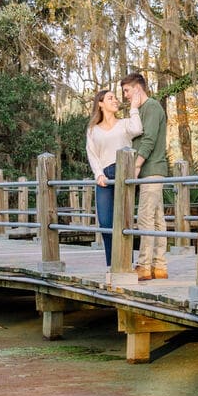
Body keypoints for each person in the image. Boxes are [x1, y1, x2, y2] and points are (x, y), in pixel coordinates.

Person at [85, 88, 143, 265]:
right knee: (105, 222)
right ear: (100, 104)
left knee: (124, 220)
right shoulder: (93, 130)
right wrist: (98, 174)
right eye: (110, 98)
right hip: (104, 176)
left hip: (123, 173)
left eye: (116, 98)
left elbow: (138, 129)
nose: (116, 100)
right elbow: (92, 154)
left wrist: (133, 107)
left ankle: (126, 264)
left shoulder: (125, 124)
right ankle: (111, 264)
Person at [120, 72, 168, 280]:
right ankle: (159, 266)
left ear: (138, 88)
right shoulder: (141, 110)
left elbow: (149, 139)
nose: (125, 96)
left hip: (152, 170)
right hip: (150, 171)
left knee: (146, 218)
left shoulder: (152, 107)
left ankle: (143, 265)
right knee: (157, 219)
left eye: (127, 91)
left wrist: (137, 165)